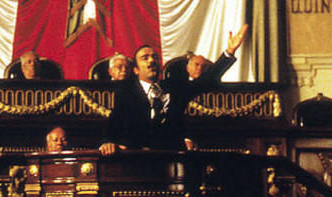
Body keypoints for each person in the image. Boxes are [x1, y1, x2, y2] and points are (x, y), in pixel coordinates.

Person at [100, 24, 249, 155]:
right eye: (145, 58)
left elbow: (206, 81)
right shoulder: (126, 92)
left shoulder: (174, 87)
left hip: (172, 157)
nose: (151, 60)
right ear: (136, 70)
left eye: (155, 57)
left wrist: (229, 52)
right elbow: (114, 122)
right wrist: (107, 142)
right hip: (137, 158)